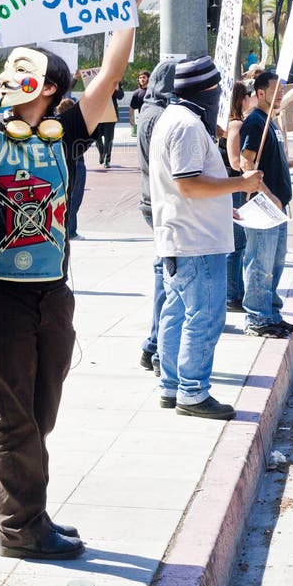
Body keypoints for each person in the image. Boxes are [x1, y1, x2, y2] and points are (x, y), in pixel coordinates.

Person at [0, 0, 145, 561]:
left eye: (25, 69)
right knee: (15, 421)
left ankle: (32, 514)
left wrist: (127, 10)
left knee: (40, 414)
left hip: (52, 297)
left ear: (53, 86)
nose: (9, 78)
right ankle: (21, 531)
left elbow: (111, 74)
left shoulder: (68, 133)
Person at [149, 56, 263, 419]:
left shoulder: (176, 118)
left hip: (185, 233)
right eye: (218, 87)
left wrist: (221, 203)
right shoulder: (184, 125)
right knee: (204, 316)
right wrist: (240, 183)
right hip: (196, 240)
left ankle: (171, 386)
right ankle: (193, 392)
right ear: (208, 90)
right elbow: (188, 184)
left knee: (177, 312)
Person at [239, 70, 293, 338]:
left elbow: (268, 161)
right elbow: (246, 163)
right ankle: (257, 318)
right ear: (260, 92)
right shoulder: (255, 123)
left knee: (275, 264)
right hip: (262, 207)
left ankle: (271, 314)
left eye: (282, 88)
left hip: (277, 208)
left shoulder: (271, 121)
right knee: (259, 263)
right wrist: (269, 195)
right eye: (276, 89)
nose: (281, 93)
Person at [136, 61, 176, 375]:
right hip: (161, 204)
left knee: (166, 272)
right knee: (168, 275)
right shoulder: (159, 116)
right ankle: (158, 346)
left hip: (155, 202)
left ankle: (154, 344)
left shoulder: (153, 111)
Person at [224, 81, 257, 312]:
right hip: (236, 187)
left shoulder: (238, 123)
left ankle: (236, 291)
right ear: (240, 98)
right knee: (237, 244)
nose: (250, 97)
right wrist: (251, 172)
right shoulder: (236, 125)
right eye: (248, 94)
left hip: (237, 186)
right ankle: (231, 294)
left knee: (240, 243)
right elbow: (235, 161)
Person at [57, 98, 86, 239]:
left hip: (62, 162)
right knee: (75, 198)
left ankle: (64, 229)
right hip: (76, 161)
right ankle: (71, 231)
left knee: (66, 198)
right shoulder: (74, 124)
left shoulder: (54, 124)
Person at [95, 82, 124, 168]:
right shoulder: (95, 82)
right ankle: (102, 152)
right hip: (98, 114)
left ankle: (106, 160)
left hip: (111, 115)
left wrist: (117, 87)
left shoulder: (115, 82)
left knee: (109, 138)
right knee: (97, 137)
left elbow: (120, 96)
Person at [129, 70, 150, 136]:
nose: (142, 79)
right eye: (140, 78)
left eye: (144, 77)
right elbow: (132, 107)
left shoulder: (153, 91)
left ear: (148, 78)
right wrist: (131, 118)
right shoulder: (136, 93)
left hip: (152, 118)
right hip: (142, 119)